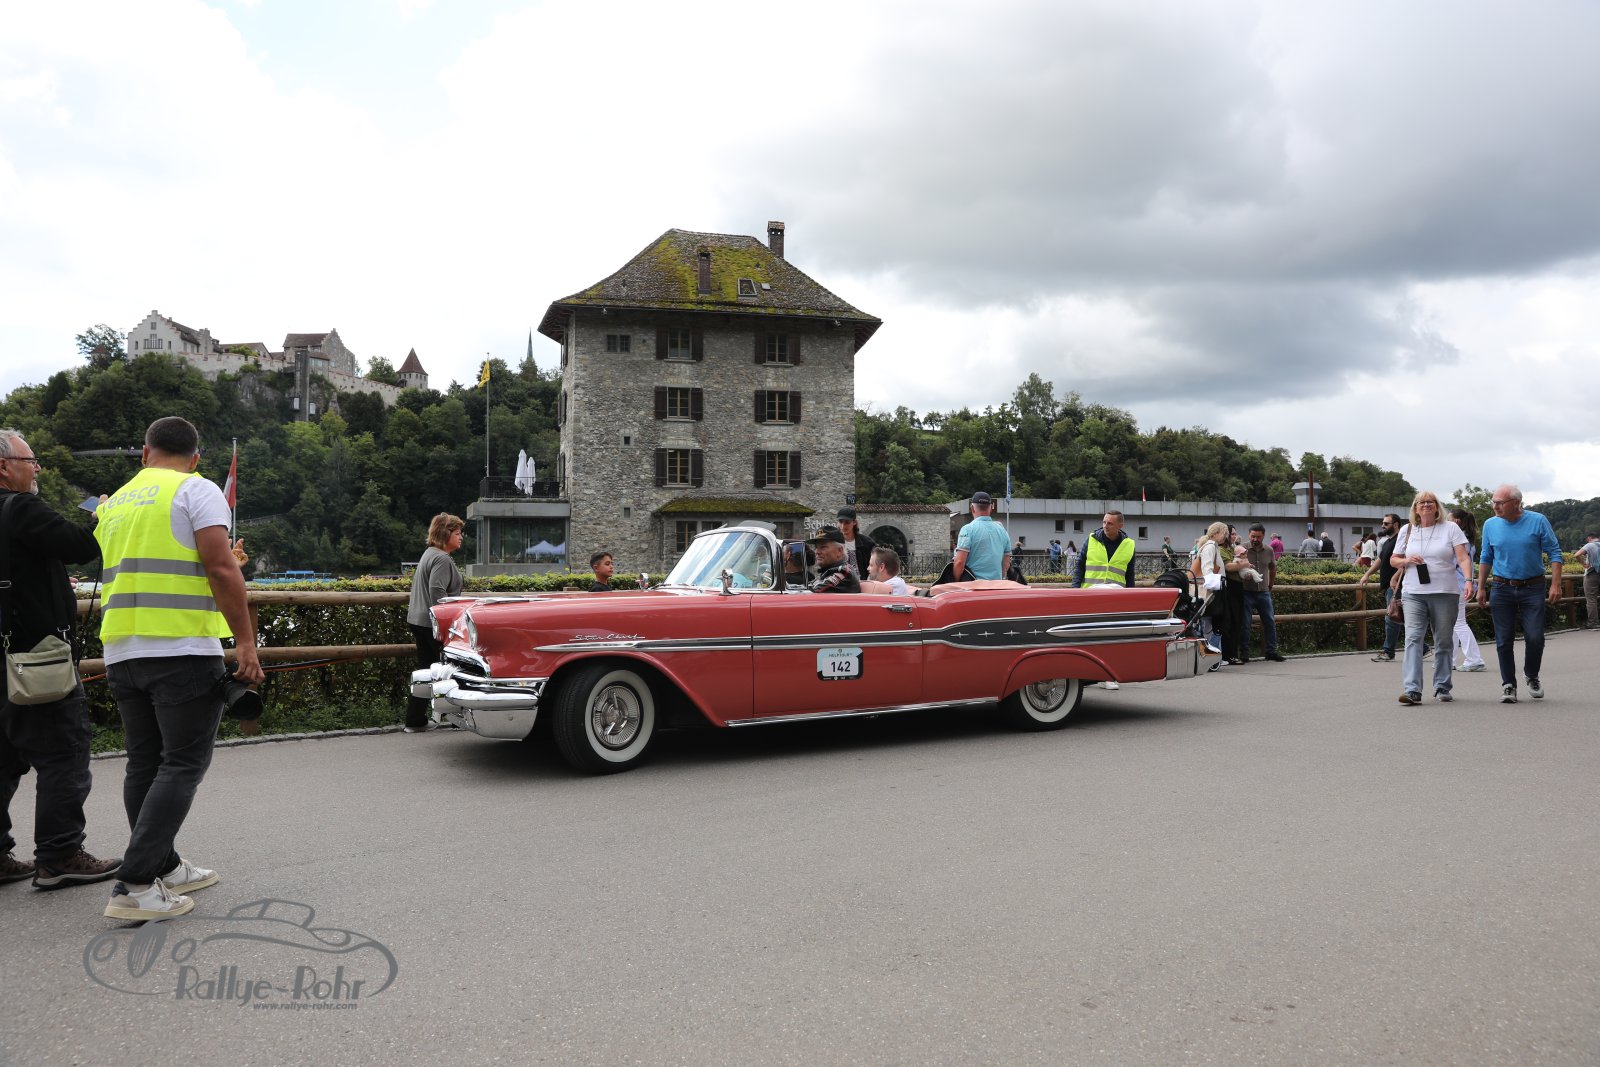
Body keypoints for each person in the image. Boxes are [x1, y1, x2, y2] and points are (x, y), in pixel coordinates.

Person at [95, 416, 264, 921]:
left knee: (144, 763)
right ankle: (135, 885)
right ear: (195, 458)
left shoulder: (115, 502)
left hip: (122, 649)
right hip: (181, 647)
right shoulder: (196, 489)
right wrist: (246, 643)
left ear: (144, 452)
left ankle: (164, 866)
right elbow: (220, 567)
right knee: (182, 764)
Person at [0, 429, 122, 890]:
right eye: (30, 460)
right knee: (63, 754)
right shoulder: (21, 509)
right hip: (35, 658)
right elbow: (83, 546)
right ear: (3, 467)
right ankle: (59, 854)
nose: (36, 468)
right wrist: (103, 515)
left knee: (2, 758)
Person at [1476, 484, 1563, 704]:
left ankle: (1531, 675)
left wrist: (1556, 584)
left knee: (1535, 637)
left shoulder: (1538, 520)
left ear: (1516, 503)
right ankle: (1508, 684)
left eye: (1500, 502)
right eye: (1493, 502)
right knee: (1503, 639)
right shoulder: (1490, 524)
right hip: (1501, 587)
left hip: (1533, 586)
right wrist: (1481, 587)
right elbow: (1486, 556)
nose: (1495, 506)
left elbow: (1555, 552)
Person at [1392, 491, 1473, 705]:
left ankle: (1442, 685)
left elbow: (1463, 558)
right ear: (1415, 508)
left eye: (1430, 502)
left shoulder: (1450, 528)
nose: (1426, 505)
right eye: (1421, 502)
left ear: (1437, 506)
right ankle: (1412, 689)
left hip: (1445, 592)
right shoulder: (1407, 530)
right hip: (1413, 593)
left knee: (1443, 640)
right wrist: (1406, 560)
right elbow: (1393, 559)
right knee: (1413, 638)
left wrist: (1468, 581)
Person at [405, 513, 465, 733]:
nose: (461, 537)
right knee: (454, 669)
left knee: (427, 670)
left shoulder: (429, 553)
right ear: (445, 534)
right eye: (457, 533)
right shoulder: (441, 558)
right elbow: (437, 591)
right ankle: (457, 717)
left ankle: (415, 719)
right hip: (433, 624)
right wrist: (447, 625)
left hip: (419, 620)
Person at [1447, 508, 1488, 672]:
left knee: (1458, 623)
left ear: (1456, 521)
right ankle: (1449, 659)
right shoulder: (1467, 539)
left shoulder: (1457, 539)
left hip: (1456, 584)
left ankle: (1474, 659)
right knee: (1453, 624)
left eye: (1448, 519)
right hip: (1462, 584)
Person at [1360, 513, 1404, 662]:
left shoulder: (1401, 541)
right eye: (1383, 523)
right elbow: (1380, 560)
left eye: (1386, 523)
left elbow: (1405, 563)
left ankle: (1388, 651)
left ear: (1396, 524)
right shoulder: (1387, 542)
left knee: (1392, 617)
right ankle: (1423, 648)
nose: (1382, 526)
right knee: (1398, 616)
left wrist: (1395, 578)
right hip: (1388, 586)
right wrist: (1367, 574)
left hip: (1397, 586)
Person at [1240, 523, 1286, 662]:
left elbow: (1273, 568)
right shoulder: (1241, 549)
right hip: (1246, 592)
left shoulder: (1269, 550)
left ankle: (1271, 651)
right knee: (1245, 623)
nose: (1255, 539)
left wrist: (1270, 585)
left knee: (1270, 622)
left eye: (1258, 537)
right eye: (1253, 536)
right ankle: (1244, 653)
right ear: (1249, 535)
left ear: (1263, 536)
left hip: (1263, 592)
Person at [951, 492, 1010, 581]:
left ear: (972, 508)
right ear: (991, 508)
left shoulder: (967, 529)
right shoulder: (1002, 531)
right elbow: (1006, 563)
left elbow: (959, 562)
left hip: (973, 586)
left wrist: (956, 582)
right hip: (996, 585)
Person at [1074, 511, 1135, 589]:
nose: (1105, 526)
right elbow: (1080, 566)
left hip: (1116, 593)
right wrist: (1075, 588)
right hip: (1091, 592)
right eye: (1104, 522)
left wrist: (1131, 593)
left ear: (1120, 526)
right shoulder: (1091, 539)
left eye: (1110, 523)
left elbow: (1130, 574)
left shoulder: (1129, 544)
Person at [807, 527, 860, 593]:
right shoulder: (828, 572)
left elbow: (814, 592)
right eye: (816, 547)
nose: (817, 552)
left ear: (839, 551)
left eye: (823, 547)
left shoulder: (844, 573)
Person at [835, 508, 875, 579]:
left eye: (847, 522)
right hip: (839, 583)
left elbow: (875, 565)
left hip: (862, 582)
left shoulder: (867, 543)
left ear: (854, 522)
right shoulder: (833, 543)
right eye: (840, 522)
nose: (843, 526)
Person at [1576, 532, 1600, 629]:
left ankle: (1593, 623)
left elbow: (1577, 555)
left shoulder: (1590, 545)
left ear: (1589, 538)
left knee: (1591, 599)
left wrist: (1584, 564)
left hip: (1592, 574)